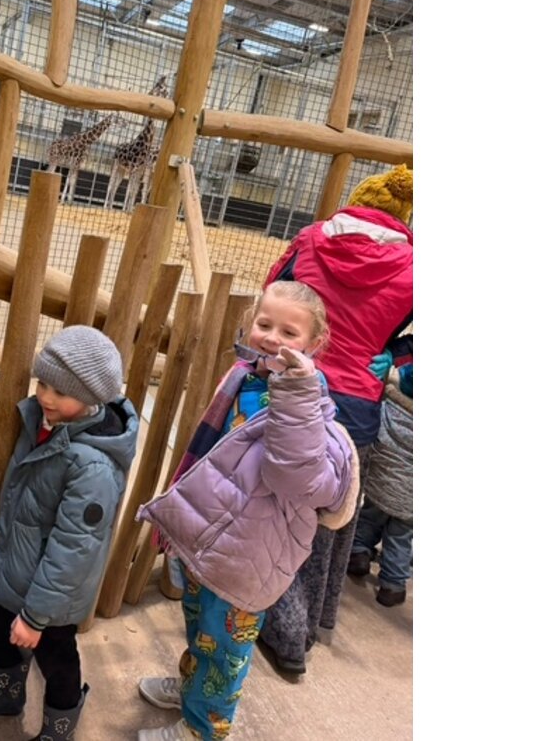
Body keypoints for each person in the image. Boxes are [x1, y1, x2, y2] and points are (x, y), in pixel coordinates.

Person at [133, 281, 356, 741]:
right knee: (201, 626)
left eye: (289, 333)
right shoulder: (247, 374)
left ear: (315, 343)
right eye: (264, 324)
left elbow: (297, 476)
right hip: (216, 534)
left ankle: (203, 729)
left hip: (250, 552)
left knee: (226, 650)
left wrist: (297, 391)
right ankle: (192, 690)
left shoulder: (307, 403)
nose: (272, 338)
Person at [259, 164, 413, 669]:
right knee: (332, 513)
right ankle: (313, 623)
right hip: (358, 402)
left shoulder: (310, 240)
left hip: (292, 384)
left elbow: (274, 294)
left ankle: (277, 628)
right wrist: (394, 356)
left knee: (274, 506)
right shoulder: (415, 265)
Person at [0, 325, 139, 741]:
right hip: (19, 572)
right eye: (43, 384)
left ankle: (60, 724)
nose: (46, 397)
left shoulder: (92, 467)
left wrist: (37, 616)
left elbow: (74, 550)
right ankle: (10, 691)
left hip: (53, 594)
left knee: (56, 659)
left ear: (91, 399)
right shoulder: (50, 422)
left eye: (61, 392)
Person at [349, 359, 413, 606]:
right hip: (411, 499)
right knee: (400, 535)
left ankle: (358, 554)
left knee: (369, 516)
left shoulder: (389, 409)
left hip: (381, 483)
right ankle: (392, 586)